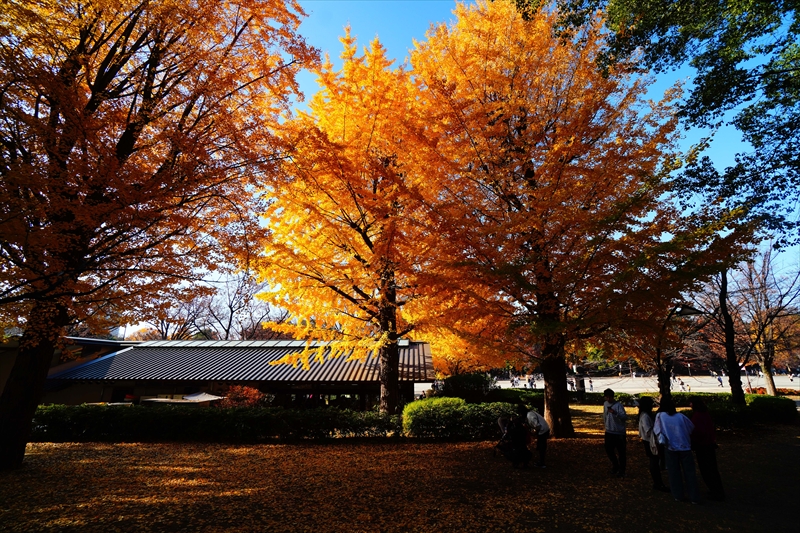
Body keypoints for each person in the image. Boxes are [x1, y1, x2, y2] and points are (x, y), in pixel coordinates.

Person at [654, 397, 700, 504]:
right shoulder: (681, 417)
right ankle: (694, 497)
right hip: (685, 446)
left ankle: (678, 495)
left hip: (670, 447)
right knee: (690, 473)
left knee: (674, 472)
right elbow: (691, 428)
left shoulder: (660, 416)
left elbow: (657, 430)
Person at [690, 397, 725, 501]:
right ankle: (717, 490)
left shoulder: (697, 416)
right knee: (712, 469)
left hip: (702, 446)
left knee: (706, 469)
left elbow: (697, 431)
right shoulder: (705, 414)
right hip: (709, 444)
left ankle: (715, 491)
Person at [637, 397, 669, 492]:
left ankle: (658, 483)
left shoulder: (644, 415)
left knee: (654, 461)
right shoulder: (645, 416)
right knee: (654, 461)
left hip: (649, 440)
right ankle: (658, 483)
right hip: (650, 441)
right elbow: (648, 430)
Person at [603, 388, 628, 477]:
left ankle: (622, 470)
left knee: (621, 452)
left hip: (619, 432)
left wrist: (615, 413)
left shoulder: (618, 406)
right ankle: (615, 465)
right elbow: (605, 415)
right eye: (607, 397)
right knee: (609, 449)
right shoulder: (605, 404)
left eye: (610, 397)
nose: (608, 399)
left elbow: (624, 417)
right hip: (609, 431)